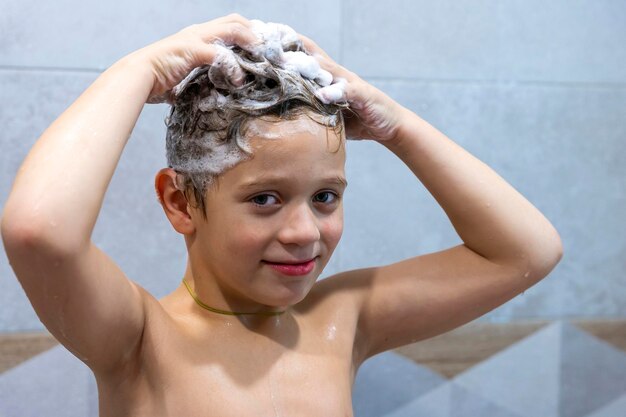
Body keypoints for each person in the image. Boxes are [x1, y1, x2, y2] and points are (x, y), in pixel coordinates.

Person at [0, 13, 562, 416]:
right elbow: (38, 230)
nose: (303, 233)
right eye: (264, 199)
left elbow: (527, 253)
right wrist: (139, 69)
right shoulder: (138, 340)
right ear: (179, 202)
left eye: (326, 197)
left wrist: (398, 127)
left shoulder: (344, 321)